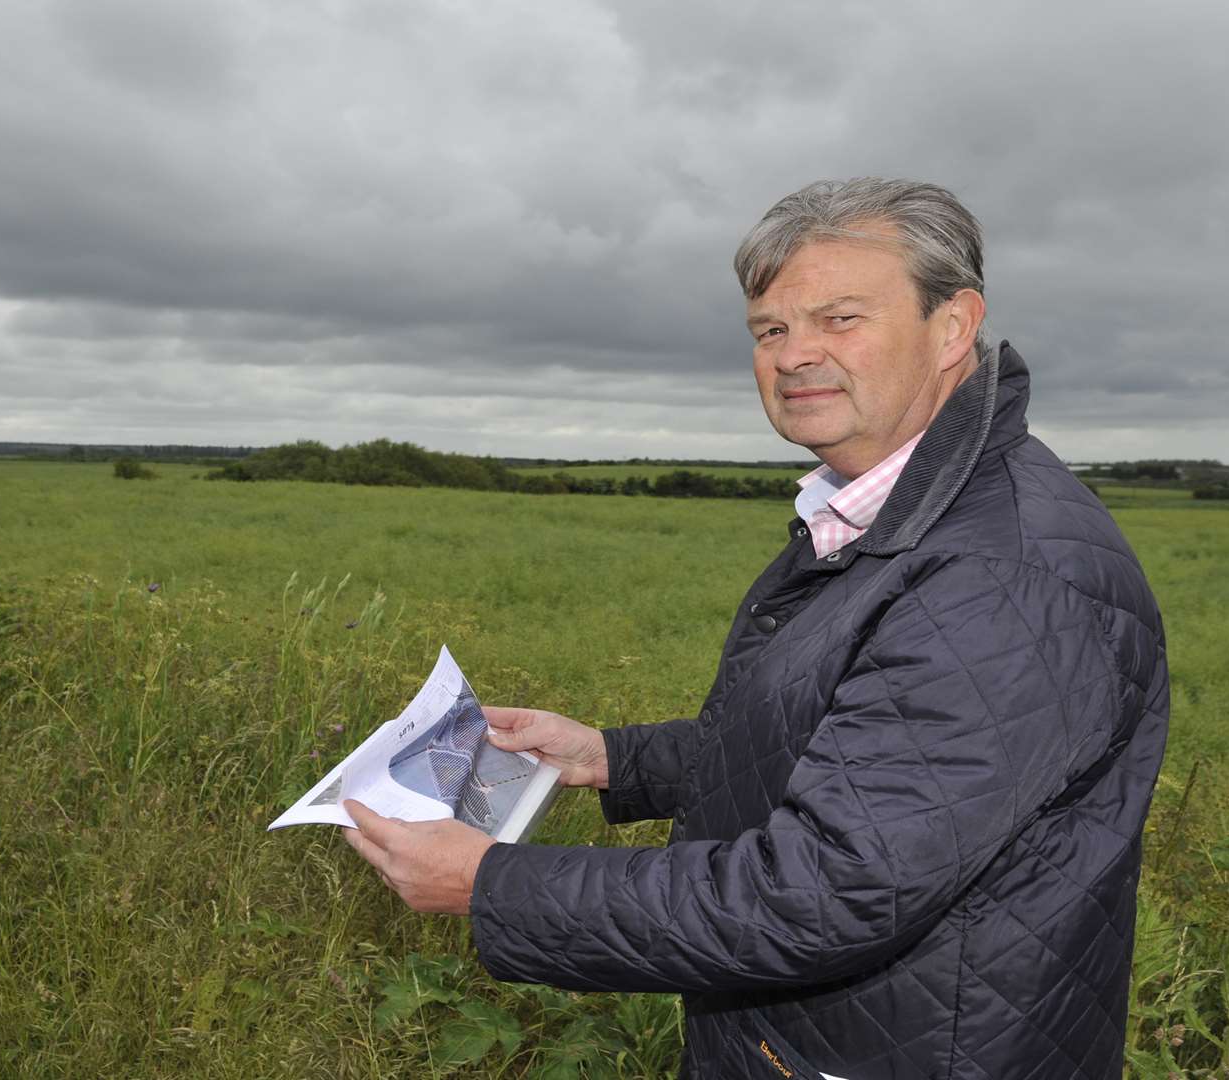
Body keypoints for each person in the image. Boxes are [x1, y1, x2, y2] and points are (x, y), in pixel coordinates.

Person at [342, 177, 1170, 1079]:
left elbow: (825, 892)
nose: (794, 355)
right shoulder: (895, 513)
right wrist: (614, 759)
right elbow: (852, 746)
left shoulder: (994, 574)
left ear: (954, 327)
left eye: (840, 318)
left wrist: (493, 886)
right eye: (770, 330)